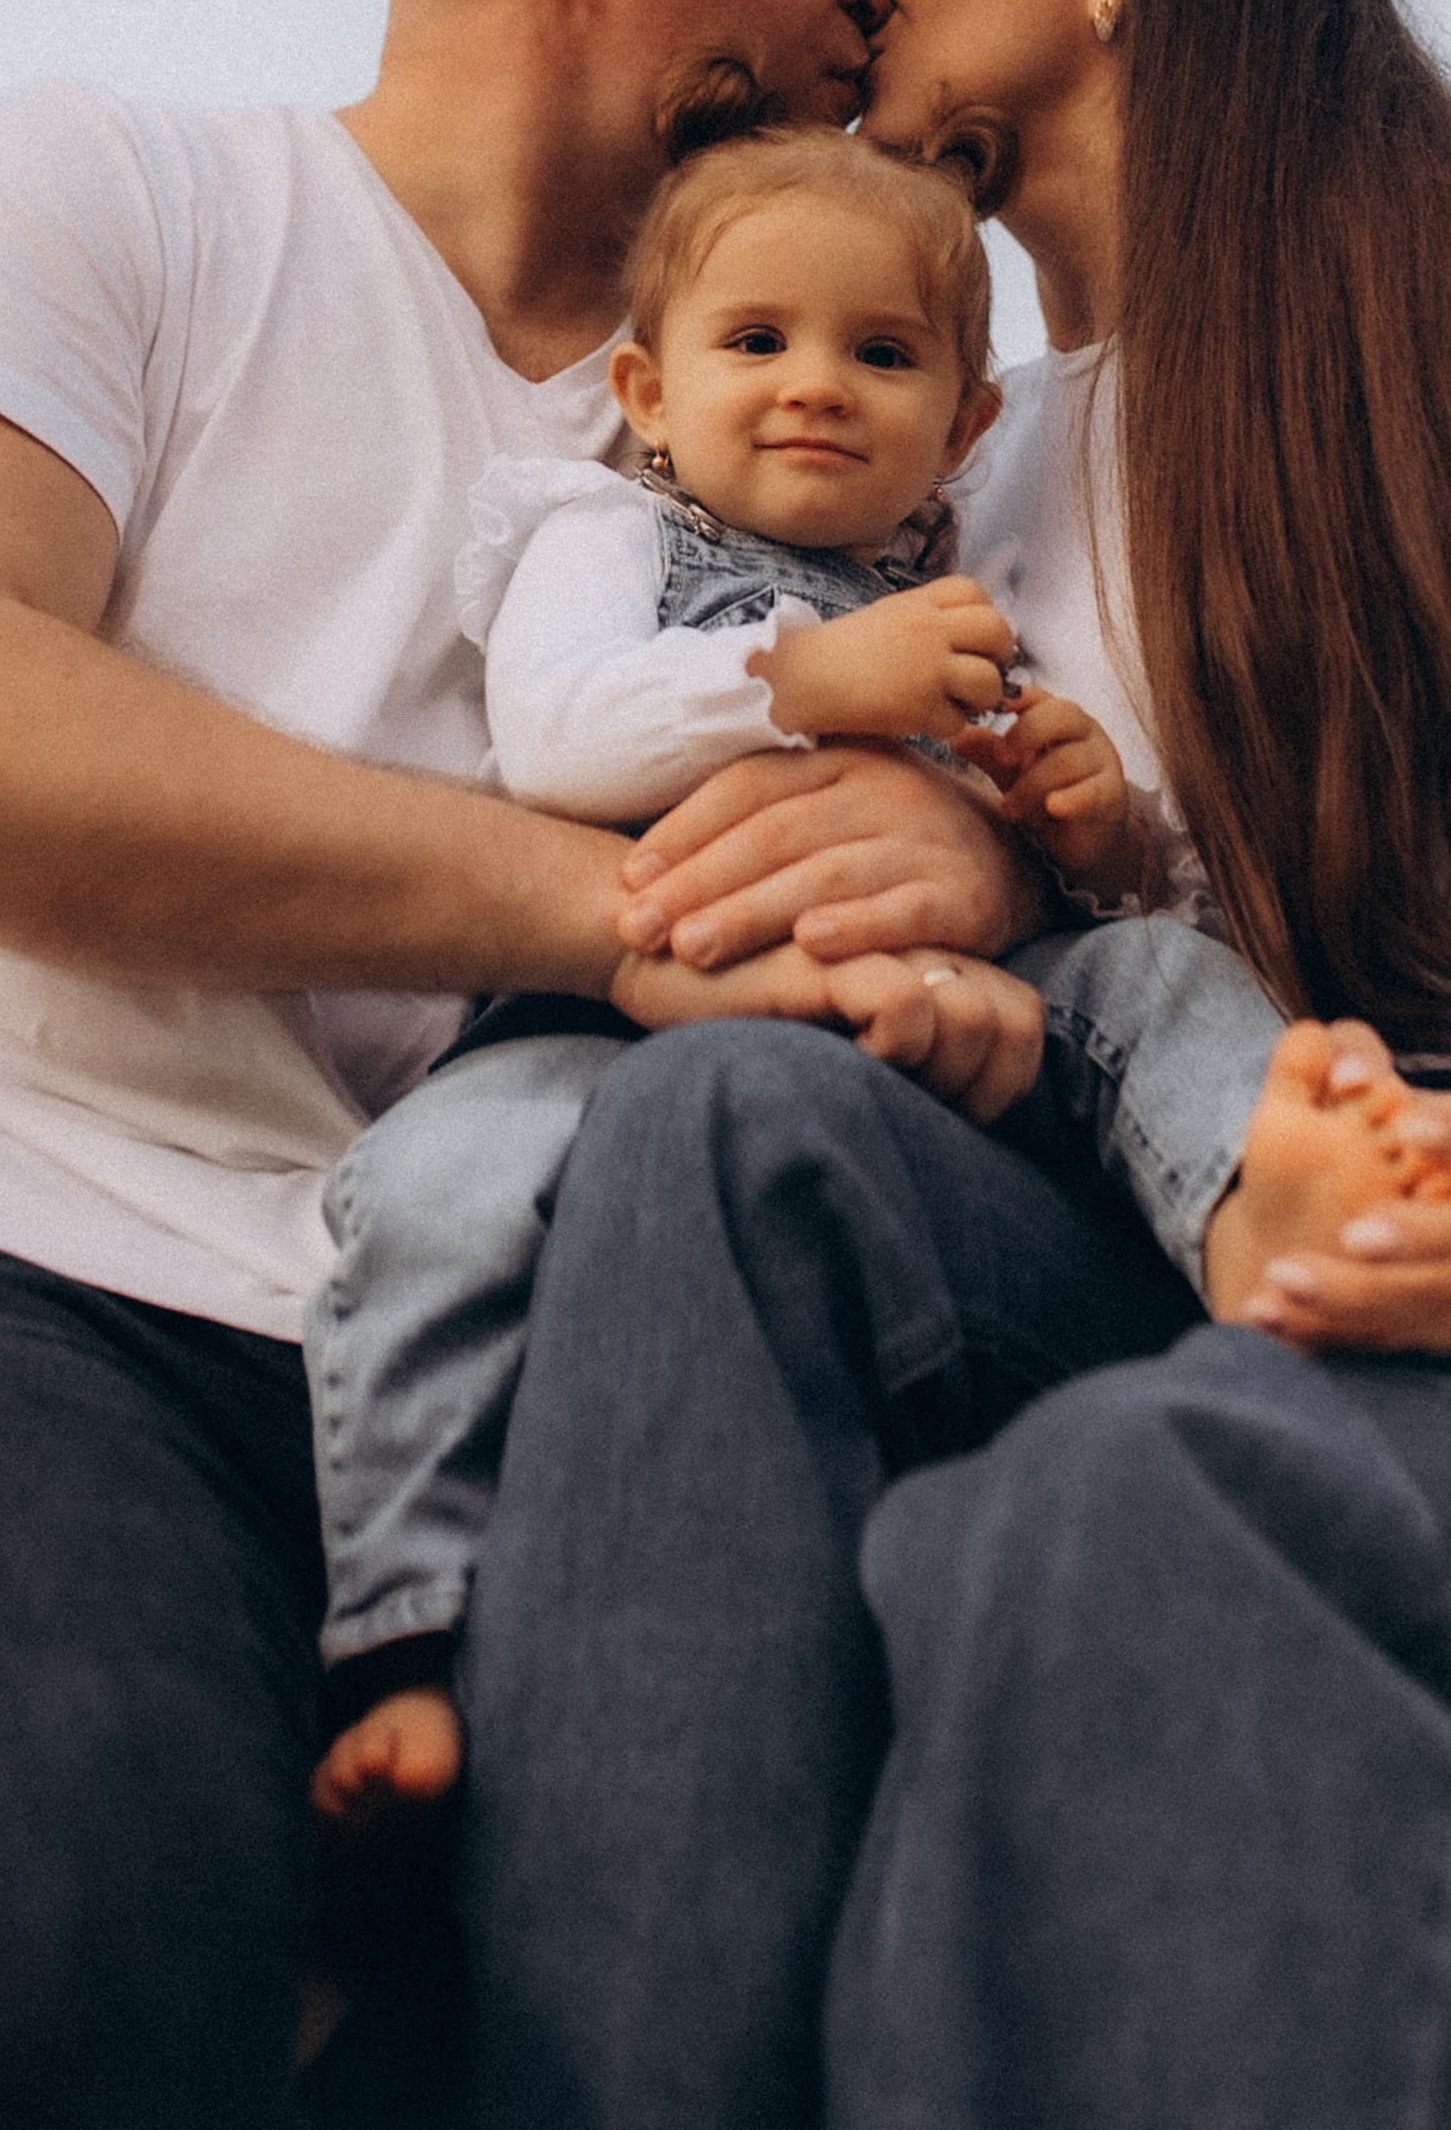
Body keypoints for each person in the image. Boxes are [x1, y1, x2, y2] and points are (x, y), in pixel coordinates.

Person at [0, 0, 1067, 2130]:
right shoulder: (117, 194)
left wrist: (969, 837)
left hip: (583, 1379)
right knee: (54, 1989)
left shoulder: (878, 406)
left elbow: (1059, 776)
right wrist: (602, 910)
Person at [459, 0, 1451, 2130]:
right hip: (1146, 1311)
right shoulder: (951, 467)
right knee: (722, 1132)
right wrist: (984, 861)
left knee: (1138, 1494)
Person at [305, 124, 1049, 1827]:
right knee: (438, 1193)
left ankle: (1236, 1182)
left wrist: (1055, 805)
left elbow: (1004, 811)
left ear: (969, 421)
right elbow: (558, 736)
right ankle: (403, 1625)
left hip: (867, 1057)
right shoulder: (610, 535)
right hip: (587, 1025)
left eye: (883, 353)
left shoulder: (954, 598)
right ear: (646, 387)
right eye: (756, 341)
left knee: (1135, 985)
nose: (818, 387)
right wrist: (805, 677)